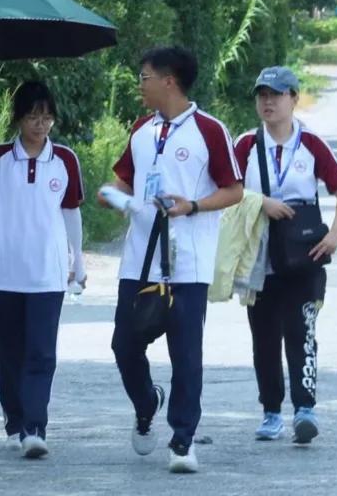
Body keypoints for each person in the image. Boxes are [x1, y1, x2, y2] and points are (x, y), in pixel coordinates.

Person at [99, 46, 243, 474]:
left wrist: (193, 206)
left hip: (188, 263)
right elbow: (121, 180)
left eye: (144, 77)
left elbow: (234, 189)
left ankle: (183, 440)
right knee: (124, 344)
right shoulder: (141, 131)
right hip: (139, 261)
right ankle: (147, 404)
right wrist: (116, 198)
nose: (139, 85)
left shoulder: (210, 130)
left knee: (186, 354)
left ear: (169, 80)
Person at [0, 81, 84, 460]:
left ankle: (34, 427)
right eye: (32, 116)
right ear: (18, 117)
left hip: (47, 272)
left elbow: (71, 210)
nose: (40, 124)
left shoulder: (64, 159)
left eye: (46, 116)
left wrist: (78, 259)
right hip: (2, 273)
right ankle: (14, 422)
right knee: (8, 355)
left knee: (42, 353)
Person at [233, 67, 337, 445]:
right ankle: (270, 412)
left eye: (277, 94)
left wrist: (334, 234)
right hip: (260, 258)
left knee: (302, 334)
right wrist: (260, 202)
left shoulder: (312, 144)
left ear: (294, 99)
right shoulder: (246, 145)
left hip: (303, 258)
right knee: (264, 338)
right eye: (262, 95)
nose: (268, 102)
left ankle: (305, 409)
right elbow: (225, 190)